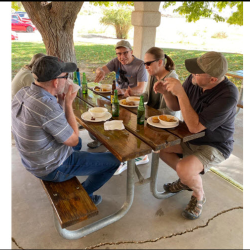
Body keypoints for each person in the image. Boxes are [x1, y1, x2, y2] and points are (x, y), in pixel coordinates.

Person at [11, 56, 120, 206]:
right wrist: (68, 104)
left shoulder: (24, 92)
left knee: (79, 143)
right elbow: (73, 139)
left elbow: (58, 127)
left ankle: (79, 168)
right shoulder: (46, 105)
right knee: (114, 161)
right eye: (65, 77)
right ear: (56, 82)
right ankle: (84, 196)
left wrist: (61, 101)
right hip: (51, 168)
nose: (67, 80)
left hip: (33, 160)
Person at [153, 51, 238, 220]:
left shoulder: (228, 95)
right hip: (192, 138)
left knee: (184, 167)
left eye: (197, 72)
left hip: (215, 144)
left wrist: (181, 93)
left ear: (213, 79)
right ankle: (186, 180)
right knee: (162, 149)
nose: (192, 74)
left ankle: (199, 195)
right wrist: (167, 93)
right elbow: (177, 106)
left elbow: (194, 127)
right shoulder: (194, 81)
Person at [115, 47, 181, 175]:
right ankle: (134, 155)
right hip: (152, 117)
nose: (146, 67)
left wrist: (146, 113)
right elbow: (147, 95)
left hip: (165, 123)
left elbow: (170, 113)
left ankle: (136, 155)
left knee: (131, 124)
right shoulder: (154, 75)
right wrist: (132, 95)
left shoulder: (171, 79)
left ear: (160, 62)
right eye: (145, 64)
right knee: (124, 119)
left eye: (148, 63)